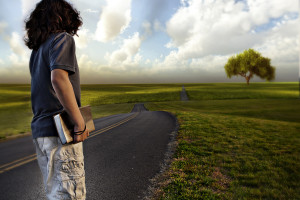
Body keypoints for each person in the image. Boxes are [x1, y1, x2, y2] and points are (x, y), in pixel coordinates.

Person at [24, 0, 89, 199]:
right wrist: (80, 123)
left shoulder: (37, 51)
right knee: (70, 194)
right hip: (60, 131)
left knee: (55, 193)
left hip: (41, 132)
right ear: (64, 16)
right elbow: (59, 78)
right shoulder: (62, 39)